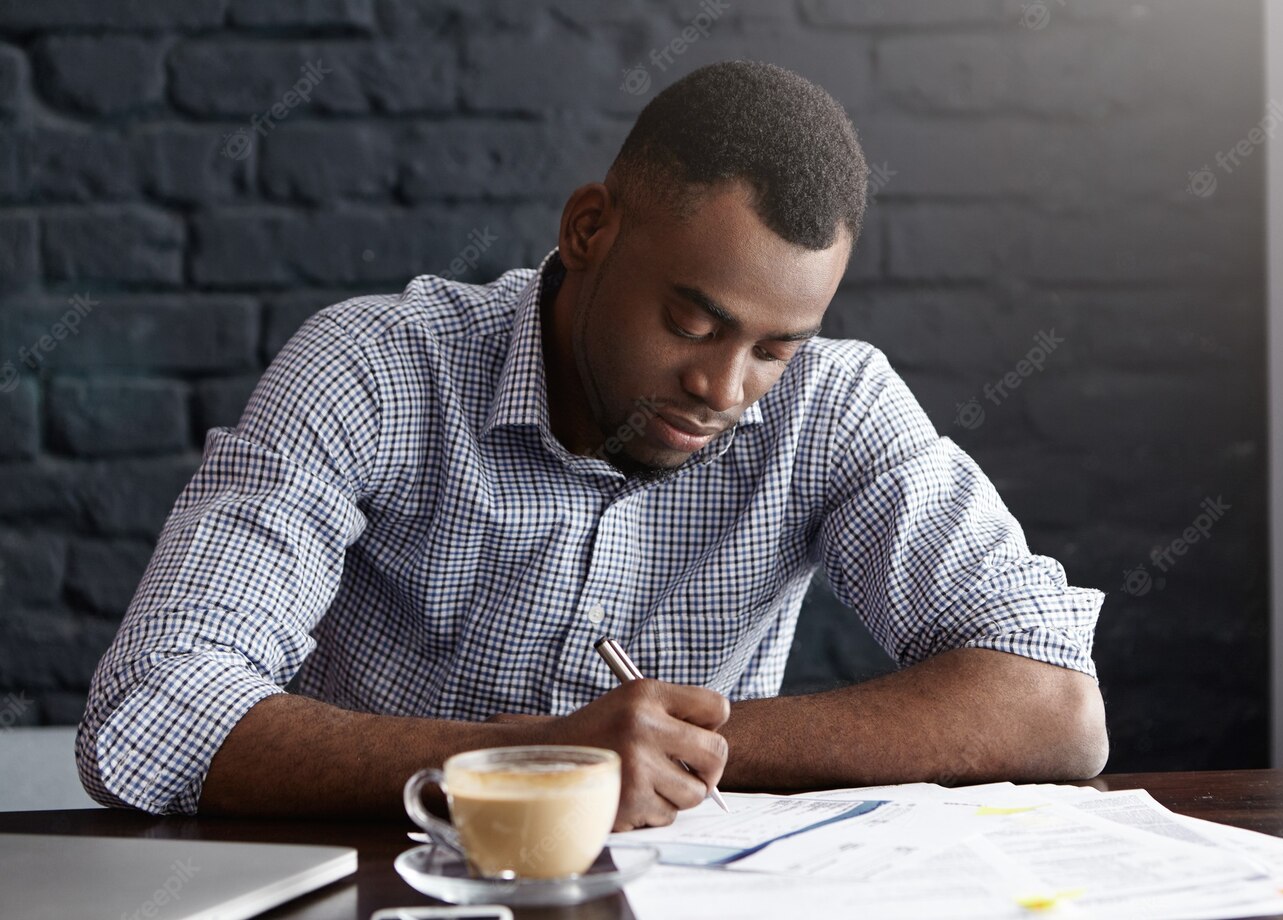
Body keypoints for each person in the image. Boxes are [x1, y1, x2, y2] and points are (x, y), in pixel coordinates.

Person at [78, 61, 1108, 831]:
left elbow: (1056, 706)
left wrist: (676, 746)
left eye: (773, 348)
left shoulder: (834, 405)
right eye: (693, 322)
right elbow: (151, 708)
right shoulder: (375, 369)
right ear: (588, 230)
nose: (722, 386)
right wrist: (530, 757)